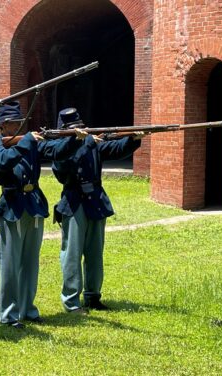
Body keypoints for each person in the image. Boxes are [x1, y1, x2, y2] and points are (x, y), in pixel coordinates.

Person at [0, 101, 86, 328]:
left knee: (31, 262)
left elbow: (55, 151)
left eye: (21, 122)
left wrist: (74, 139)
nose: (20, 125)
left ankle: (27, 309)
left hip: (34, 205)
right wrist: (27, 142)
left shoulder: (29, 142)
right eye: (15, 123)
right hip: (12, 206)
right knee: (10, 265)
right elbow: (3, 163)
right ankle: (9, 314)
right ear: (4, 126)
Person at [52, 107, 145, 314]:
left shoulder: (90, 142)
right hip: (74, 201)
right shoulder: (60, 147)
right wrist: (77, 143)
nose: (80, 131)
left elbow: (114, 148)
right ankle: (71, 301)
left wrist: (132, 139)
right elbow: (62, 173)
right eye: (74, 129)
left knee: (95, 253)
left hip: (95, 200)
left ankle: (93, 296)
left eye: (81, 128)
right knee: (72, 254)